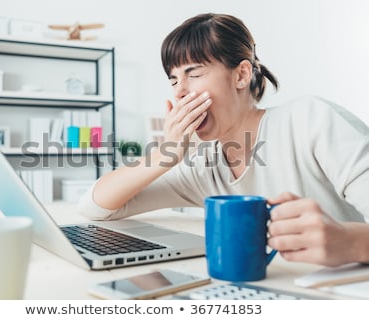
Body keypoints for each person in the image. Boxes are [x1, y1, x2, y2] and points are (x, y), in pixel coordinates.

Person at [77, 13, 369, 267]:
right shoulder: (204, 165)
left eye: (194, 73)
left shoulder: (310, 119)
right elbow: (97, 206)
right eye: (174, 80)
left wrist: (350, 242)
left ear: (241, 75)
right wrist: (165, 155)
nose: (179, 92)